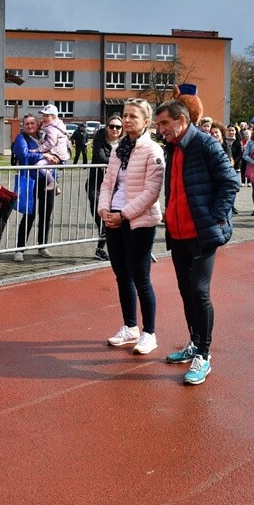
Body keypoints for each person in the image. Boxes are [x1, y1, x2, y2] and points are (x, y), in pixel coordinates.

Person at [155, 93, 239, 386]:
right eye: (158, 124)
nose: (160, 129)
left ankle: (203, 355)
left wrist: (215, 217)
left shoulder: (205, 144)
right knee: (186, 291)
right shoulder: (173, 147)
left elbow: (231, 182)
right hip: (177, 234)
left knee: (199, 292)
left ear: (182, 120)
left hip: (202, 234)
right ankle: (194, 342)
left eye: (164, 123)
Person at [99, 98, 165, 355]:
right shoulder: (118, 149)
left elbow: (151, 192)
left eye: (133, 117)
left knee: (141, 277)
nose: (126, 120)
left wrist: (123, 215)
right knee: (121, 275)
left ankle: (149, 332)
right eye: (125, 115)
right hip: (113, 216)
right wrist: (104, 209)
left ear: (146, 122)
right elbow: (108, 183)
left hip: (138, 221)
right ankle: (130, 327)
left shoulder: (153, 151)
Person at [12, 114, 57, 261]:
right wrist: (44, 157)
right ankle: (20, 249)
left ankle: (42, 246)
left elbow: (56, 150)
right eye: (27, 124)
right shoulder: (21, 138)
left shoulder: (45, 135)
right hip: (31, 180)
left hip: (47, 180)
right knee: (29, 214)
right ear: (23, 126)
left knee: (46, 214)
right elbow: (23, 155)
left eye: (32, 123)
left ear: (37, 124)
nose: (30, 126)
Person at [88, 115, 122, 260]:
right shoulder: (99, 139)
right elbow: (100, 157)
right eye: (112, 126)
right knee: (100, 216)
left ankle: (100, 249)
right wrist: (119, 160)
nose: (114, 129)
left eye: (118, 127)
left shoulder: (124, 142)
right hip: (96, 184)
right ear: (107, 127)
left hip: (116, 187)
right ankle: (102, 247)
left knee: (110, 220)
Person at [35, 104, 70, 189]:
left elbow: (50, 143)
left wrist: (38, 150)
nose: (44, 118)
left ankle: (52, 182)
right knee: (48, 166)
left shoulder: (51, 128)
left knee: (39, 165)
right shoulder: (57, 125)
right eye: (43, 115)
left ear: (54, 117)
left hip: (56, 152)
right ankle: (55, 183)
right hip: (59, 152)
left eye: (47, 116)